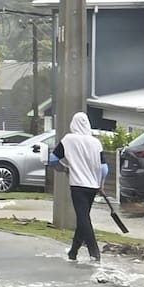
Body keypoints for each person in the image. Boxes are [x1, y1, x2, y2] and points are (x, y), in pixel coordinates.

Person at [52, 112, 106, 263]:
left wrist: (65, 169)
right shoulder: (96, 142)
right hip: (93, 186)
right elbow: (104, 168)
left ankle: (94, 252)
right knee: (84, 218)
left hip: (77, 185)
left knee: (83, 218)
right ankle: (73, 251)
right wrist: (101, 184)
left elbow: (52, 159)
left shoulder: (69, 140)